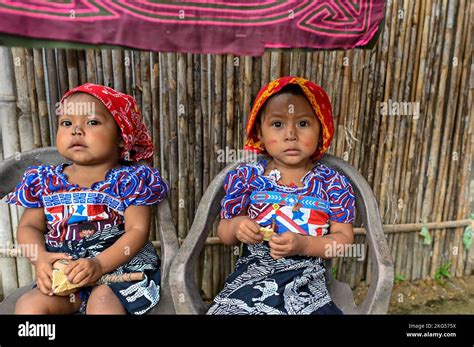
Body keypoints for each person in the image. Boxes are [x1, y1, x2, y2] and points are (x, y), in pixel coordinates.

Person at [6, 83, 167, 315]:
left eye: (92, 122)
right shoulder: (46, 181)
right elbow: (29, 226)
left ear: (123, 137)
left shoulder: (130, 180)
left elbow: (138, 231)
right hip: (67, 276)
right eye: (67, 123)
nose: (76, 131)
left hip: (119, 275)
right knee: (29, 307)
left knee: (102, 304)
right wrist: (40, 258)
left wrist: (99, 265)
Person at [207, 76, 355, 315]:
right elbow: (224, 234)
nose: (290, 135)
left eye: (304, 123)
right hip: (251, 280)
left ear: (322, 129)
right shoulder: (249, 178)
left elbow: (342, 242)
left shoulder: (332, 183)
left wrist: (304, 244)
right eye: (277, 124)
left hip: (306, 282)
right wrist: (238, 226)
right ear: (259, 132)